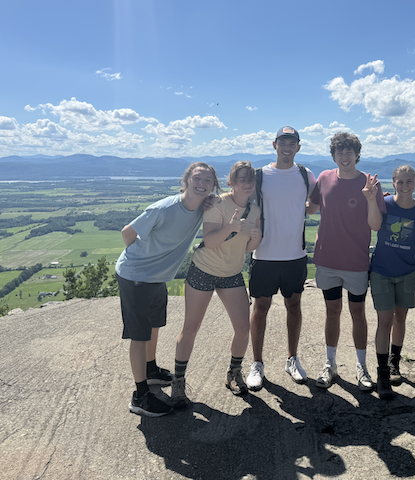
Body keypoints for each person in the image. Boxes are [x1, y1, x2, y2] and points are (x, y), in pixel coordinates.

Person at [116, 162, 220, 417]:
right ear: (186, 181)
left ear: (213, 186)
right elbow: (127, 233)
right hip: (136, 276)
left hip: (156, 278)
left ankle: (150, 370)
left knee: (154, 324)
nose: (202, 183)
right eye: (197, 177)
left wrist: (213, 200)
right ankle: (140, 396)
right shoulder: (164, 208)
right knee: (139, 335)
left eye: (208, 180)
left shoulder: (203, 207)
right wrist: (142, 261)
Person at [170, 161, 262, 408]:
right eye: (241, 178)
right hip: (204, 269)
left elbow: (249, 248)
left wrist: (255, 238)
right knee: (190, 328)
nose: (247, 183)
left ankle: (234, 372)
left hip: (231, 273)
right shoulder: (218, 203)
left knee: (243, 328)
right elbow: (209, 242)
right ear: (230, 182)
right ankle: (178, 381)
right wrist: (231, 227)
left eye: (250, 179)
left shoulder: (255, 210)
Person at [307, 132, 385, 390]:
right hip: (327, 258)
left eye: (349, 152)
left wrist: (371, 198)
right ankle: (331, 364)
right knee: (332, 312)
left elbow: (375, 224)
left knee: (358, 313)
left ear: (357, 154)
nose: (344, 156)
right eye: (339, 152)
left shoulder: (369, 183)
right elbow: (310, 207)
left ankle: (361, 367)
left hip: (356, 260)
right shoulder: (324, 178)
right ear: (333, 156)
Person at [246, 126, 317, 391]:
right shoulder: (261, 175)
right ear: (274, 144)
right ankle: (257, 364)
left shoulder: (304, 174)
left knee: (294, 307)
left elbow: (316, 203)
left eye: (292, 143)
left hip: (294, 255)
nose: (287, 147)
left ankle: (292, 359)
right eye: (283, 142)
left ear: (298, 147)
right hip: (263, 254)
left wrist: (299, 212)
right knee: (260, 309)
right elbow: (241, 199)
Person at [366, 165, 415, 399]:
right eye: (400, 182)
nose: (404, 186)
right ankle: (382, 375)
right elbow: (374, 224)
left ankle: (394, 363)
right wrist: (372, 199)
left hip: (408, 271)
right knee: (385, 321)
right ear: (393, 184)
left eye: (409, 181)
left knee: (400, 318)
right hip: (381, 270)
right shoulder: (385, 203)